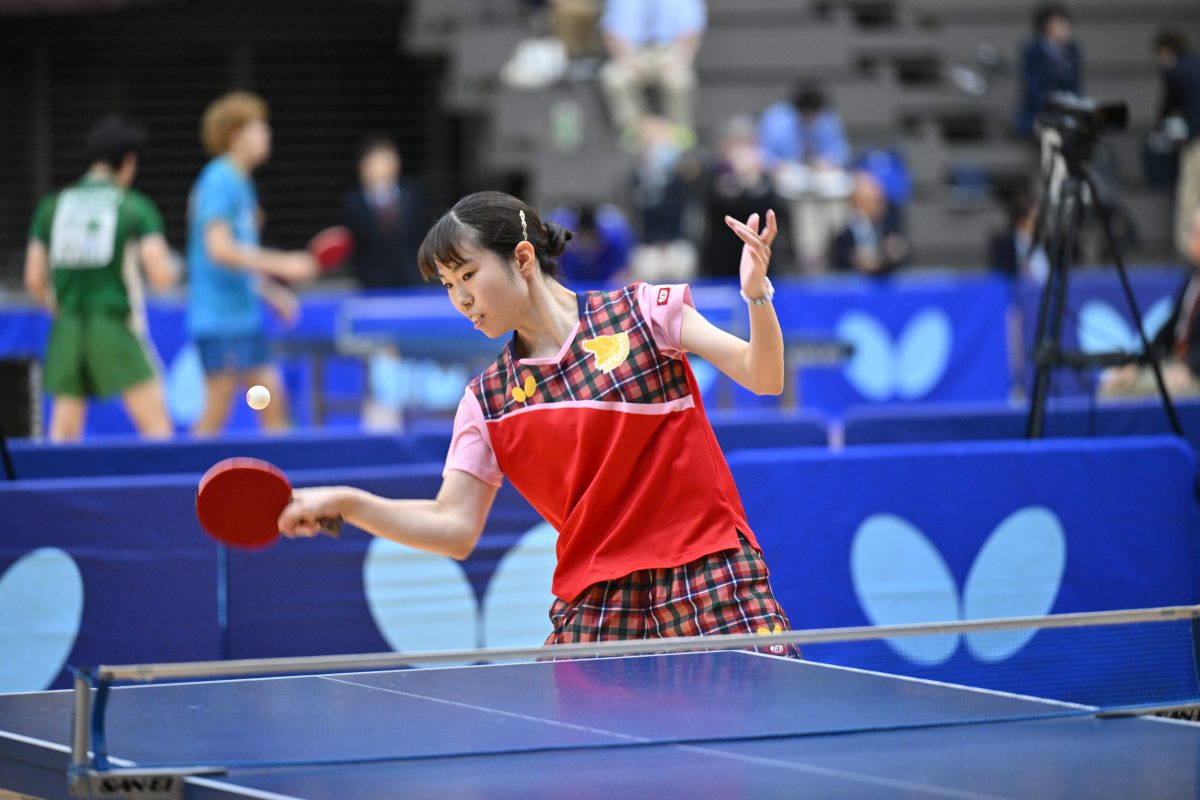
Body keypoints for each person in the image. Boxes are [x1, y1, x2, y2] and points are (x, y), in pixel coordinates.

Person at [279, 191, 796, 650]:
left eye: (468, 275)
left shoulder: (643, 313)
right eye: (447, 285)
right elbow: (454, 528)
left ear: (522, 258)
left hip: (706, 570)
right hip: (599, 598)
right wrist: (350, 503)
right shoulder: (489, 400)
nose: (461, 300)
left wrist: (755, 293)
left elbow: (763, 376)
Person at [24, 114, 177, 442]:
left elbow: (33, 277)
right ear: (128, 161)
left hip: (67, 326)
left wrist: (57, 305)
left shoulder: (52, 205)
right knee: (157, 431)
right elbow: (161, 274)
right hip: (113, 326)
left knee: (62, 437)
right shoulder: (134, 206)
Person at [186, 91, 318, 435]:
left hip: (241, 316)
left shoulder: (242, 184)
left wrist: (271, 293)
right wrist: (282, 263)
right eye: (259, 129)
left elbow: (238, 260)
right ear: (236, 135)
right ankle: (185, 485)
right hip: (219, 318)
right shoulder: (219, 179)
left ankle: (280, 485)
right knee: (217, 412)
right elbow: (218, 249)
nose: (267, 135)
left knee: (271, 399)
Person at [1100, 206, 1200, 399]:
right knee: (1112, 386)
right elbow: (1168, 330)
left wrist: (1190, 368)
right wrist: (1136, 364)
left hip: (1193, 371)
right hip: (1175, 363)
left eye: (1195, 232)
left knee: (1171, 394)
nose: (1189, 237)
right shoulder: (1192, 277)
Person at [758, 83, 853, 271]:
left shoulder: (827, 119)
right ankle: (809, 253)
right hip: (790, 179)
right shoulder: (776, 118)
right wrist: (776, 167)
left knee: (837, 194)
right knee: (805, 202)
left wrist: (828, 163)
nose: (811, 118)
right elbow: (763, 155)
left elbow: (841, 152)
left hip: (820, 179)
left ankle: (832, 242)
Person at [599, 0, 706, 146]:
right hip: (632, 53)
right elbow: (610, 30)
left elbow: (692, 28)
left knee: (680, 80)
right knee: (613, 77)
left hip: (669, 52)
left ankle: (679, 132)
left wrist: (679, 56)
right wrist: (624, 56)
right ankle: (635, 132)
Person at [342, 136, 426, 289]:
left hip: (412, 279)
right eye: (374, 162)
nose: (381, 167)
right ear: (362, 166)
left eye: (386, 161)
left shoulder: (413, 194)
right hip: (371, 284)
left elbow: (423, 233)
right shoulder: (353, 202)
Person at [1153, 29, 1200, 260]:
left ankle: (1187, 250)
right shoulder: (1196, 64)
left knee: (1188, 195)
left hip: (1195, 142)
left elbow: (1166, 109)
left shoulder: (1175, 71)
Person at [1016, 3, 1082, 140]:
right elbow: (1033, 86)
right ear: (1047, 26)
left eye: (1065, 24)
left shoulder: (1072, 51)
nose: (1064, 28)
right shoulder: (1033, 51)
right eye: (1059, 24)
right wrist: (1052, 107)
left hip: (1066, 112)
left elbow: (1074, 84)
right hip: (1038, 112)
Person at [831, 171, 909, 276]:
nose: (880, 205)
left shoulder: (888, 231)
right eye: (873, 200)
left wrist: (895, 253)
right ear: (857, 201)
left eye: (879, 200)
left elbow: (897, 259)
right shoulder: (843, 236)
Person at [988, 190, 1049, 284]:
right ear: (1021, 219)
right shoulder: (1005, 245)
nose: (1038, 223)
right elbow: (1002, 278)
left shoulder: (1044, 243)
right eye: (1034, 218)